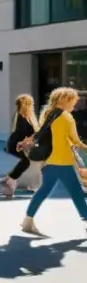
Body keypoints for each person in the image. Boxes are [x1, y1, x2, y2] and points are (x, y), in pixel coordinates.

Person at [20, 87, 87, 236]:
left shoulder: (47, 114)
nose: (74, 105)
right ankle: (27, 221)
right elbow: (75, 140)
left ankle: (28, 220)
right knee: (76, 192)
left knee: (45, 190)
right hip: (63, 161)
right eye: (73, 101)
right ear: (65, 100)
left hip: (49, 160)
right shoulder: (66, 117)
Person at [0, 94, 38, 197]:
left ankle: (8, 179)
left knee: (26, 162)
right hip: (15, 144)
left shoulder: (22, 116)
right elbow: (22, 132)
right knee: (25, 162)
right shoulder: (22, 117)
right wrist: (26, 142)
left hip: (15, 143)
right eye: (31, 104)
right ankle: (10, 179)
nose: (32, 105)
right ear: (26, 104)